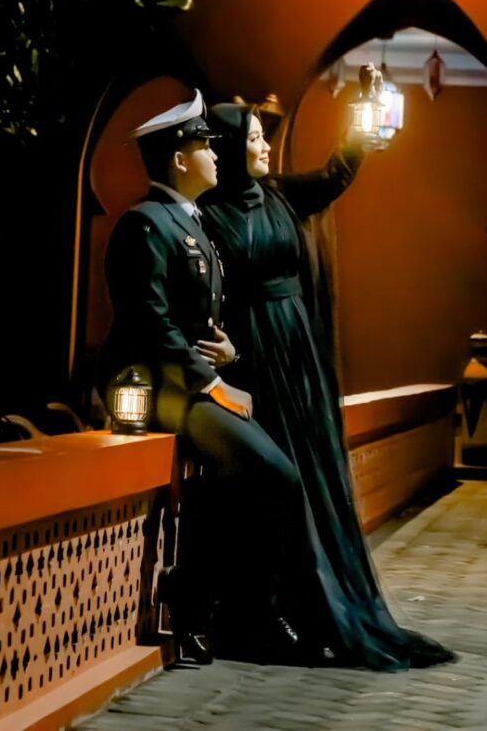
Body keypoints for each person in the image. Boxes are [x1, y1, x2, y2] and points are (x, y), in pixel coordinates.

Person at [199, 102, 457, 670]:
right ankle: (268, 610)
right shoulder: (204, 213)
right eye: (255, 139)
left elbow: (334, 174)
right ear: (228, 148)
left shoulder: (281, 195)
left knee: (312, 472)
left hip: (296, 350)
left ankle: (320, 609)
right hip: (249, 358)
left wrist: (361, 131)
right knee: (271, 480)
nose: (266, 147)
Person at [97, 89, 326, 667]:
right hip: (157, 389)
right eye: (204, 146)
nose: (216, 154)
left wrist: (227, 351)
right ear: (179, 159)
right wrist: (213, 383)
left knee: (244, 479)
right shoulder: (146, 224)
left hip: (188, 384)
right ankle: (211, 599)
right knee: (275, 474)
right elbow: (150, 324)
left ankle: (216, 603)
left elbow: (197, 318)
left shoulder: (189, 221)